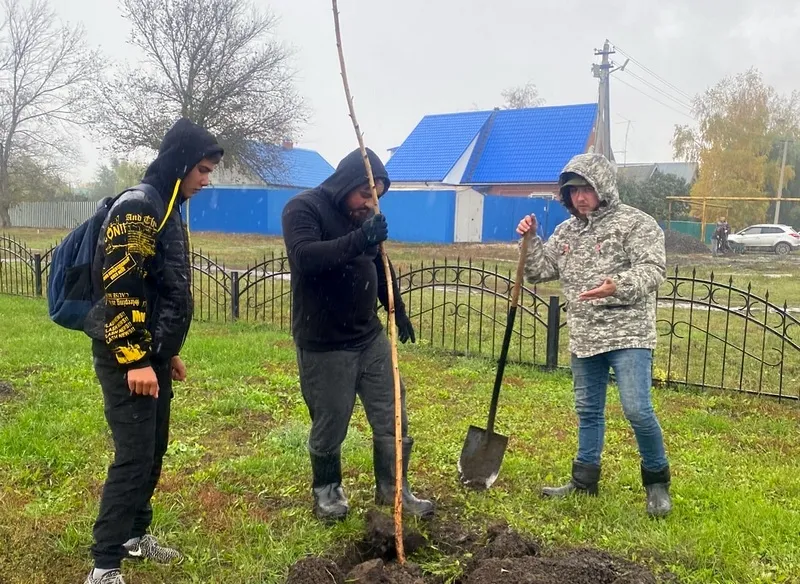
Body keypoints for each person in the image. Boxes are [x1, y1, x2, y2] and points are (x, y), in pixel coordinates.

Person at [82, 118, 224, 584]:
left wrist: (165, 352)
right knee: (134, 455)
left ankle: (133, 537)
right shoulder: (140, 206)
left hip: (152, 355)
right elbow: (121, 287)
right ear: (181, 163)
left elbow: (160, 287)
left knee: (154, 448)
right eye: (202, 169)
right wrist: (136, 359)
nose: (206, 180)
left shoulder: (167, 205)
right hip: (126, 356)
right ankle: (104, 566)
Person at [281, 148, 434, 522]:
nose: (370, 203)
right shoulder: (303, 209)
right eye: (365, 193)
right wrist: (360, 238)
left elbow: (379, 264)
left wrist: (395, 304)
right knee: (331, 420)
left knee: (392, 411)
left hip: (370, 338)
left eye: (377, 195)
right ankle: (327, 492)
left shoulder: (367, 218)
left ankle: (394, 489)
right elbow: (305, 258)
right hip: (325, 344)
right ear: (346, 182)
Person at [516, 153, 672, 517]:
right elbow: (539, 271)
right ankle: (584, 481)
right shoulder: (567, 232)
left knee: (637, 409)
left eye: (587, 189)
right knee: (588, 411)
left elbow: (653, 269)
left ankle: (657, 484)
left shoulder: (635, 223)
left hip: (628, 333)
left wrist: (616, 285)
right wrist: (531, 239)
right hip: (585, 335)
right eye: (573, 191)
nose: (580, 197)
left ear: (603, 187)